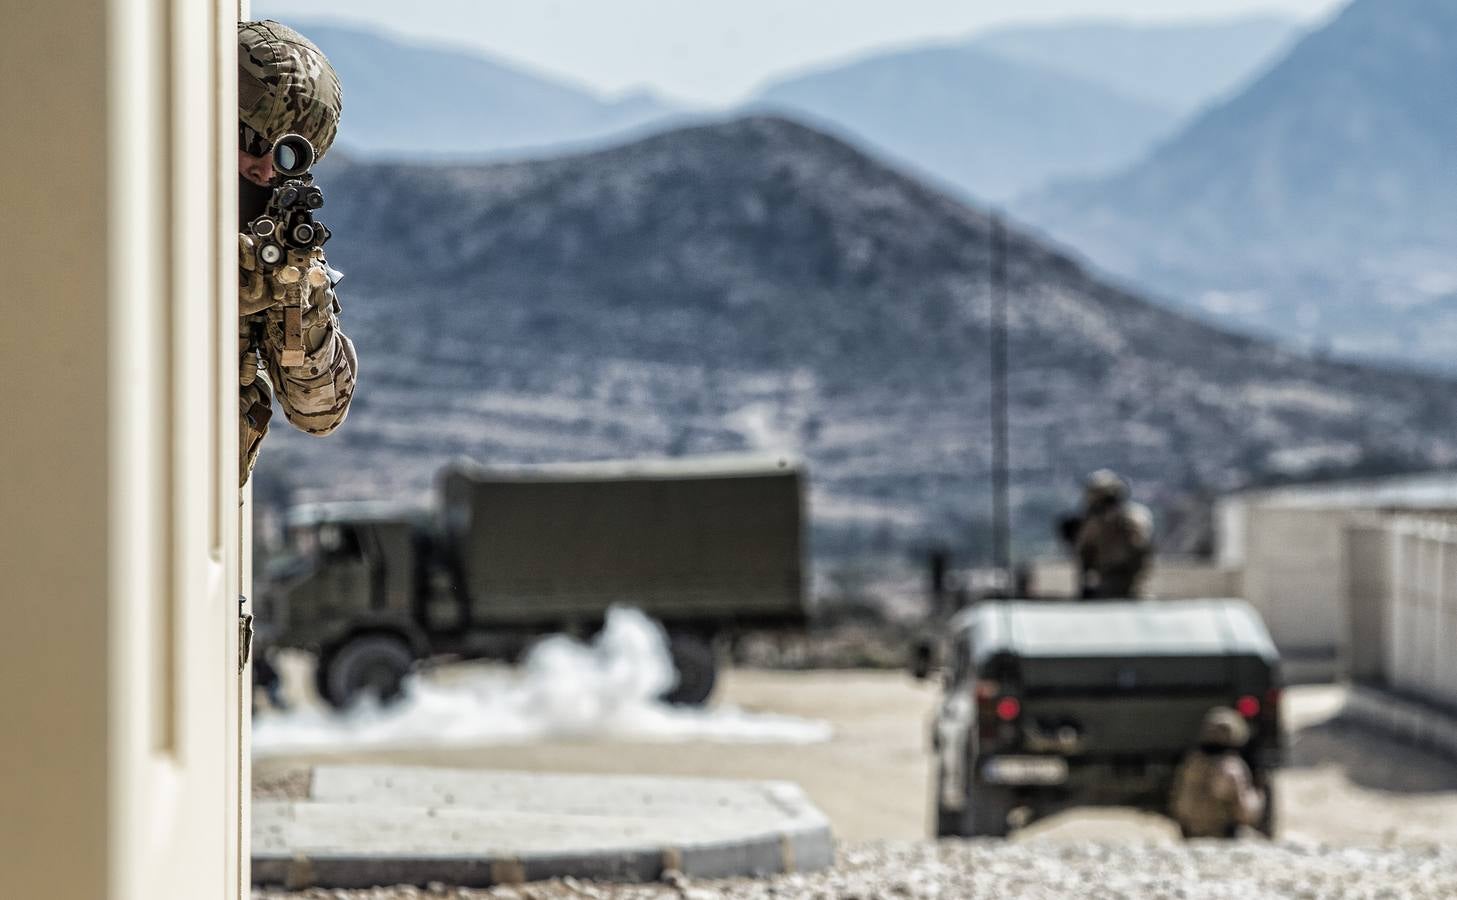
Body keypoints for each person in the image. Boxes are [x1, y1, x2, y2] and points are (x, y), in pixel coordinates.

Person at [237, 20, 357, 487]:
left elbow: (318, 414)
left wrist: (297, 294)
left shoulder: (282, 237)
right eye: (253, 141)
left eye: (286, 156)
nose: (265, 168)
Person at [1169, 706, 1266, 838]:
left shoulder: (1192, 761)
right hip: (1220, 834)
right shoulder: (1230, 767)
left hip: (1191, 832)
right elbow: (1244, 811)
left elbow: (1179, 804)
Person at [1070, 469, 1153, 598]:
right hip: (1105, 580)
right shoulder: (1095, 522)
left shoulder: (1132, 518)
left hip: (1128, 580)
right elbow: (1084, 552)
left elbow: (1141, 549)